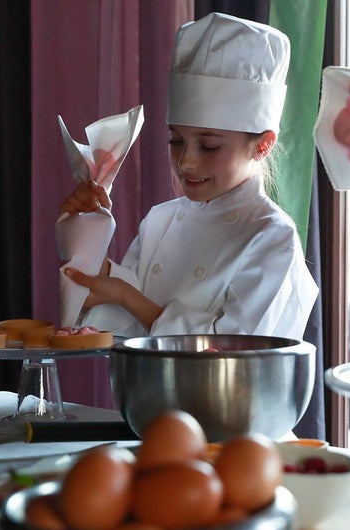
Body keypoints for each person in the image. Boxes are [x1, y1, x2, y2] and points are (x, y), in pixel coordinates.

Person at [60, 12, 318, 341]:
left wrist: (127, 296)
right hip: (144, 393)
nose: (186, 162)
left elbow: (233, 351)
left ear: (263, 145)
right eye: (176, 141)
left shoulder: (271, 236)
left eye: (209, 146)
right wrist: (86, 233)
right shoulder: (160, 220)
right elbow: (117, 326)